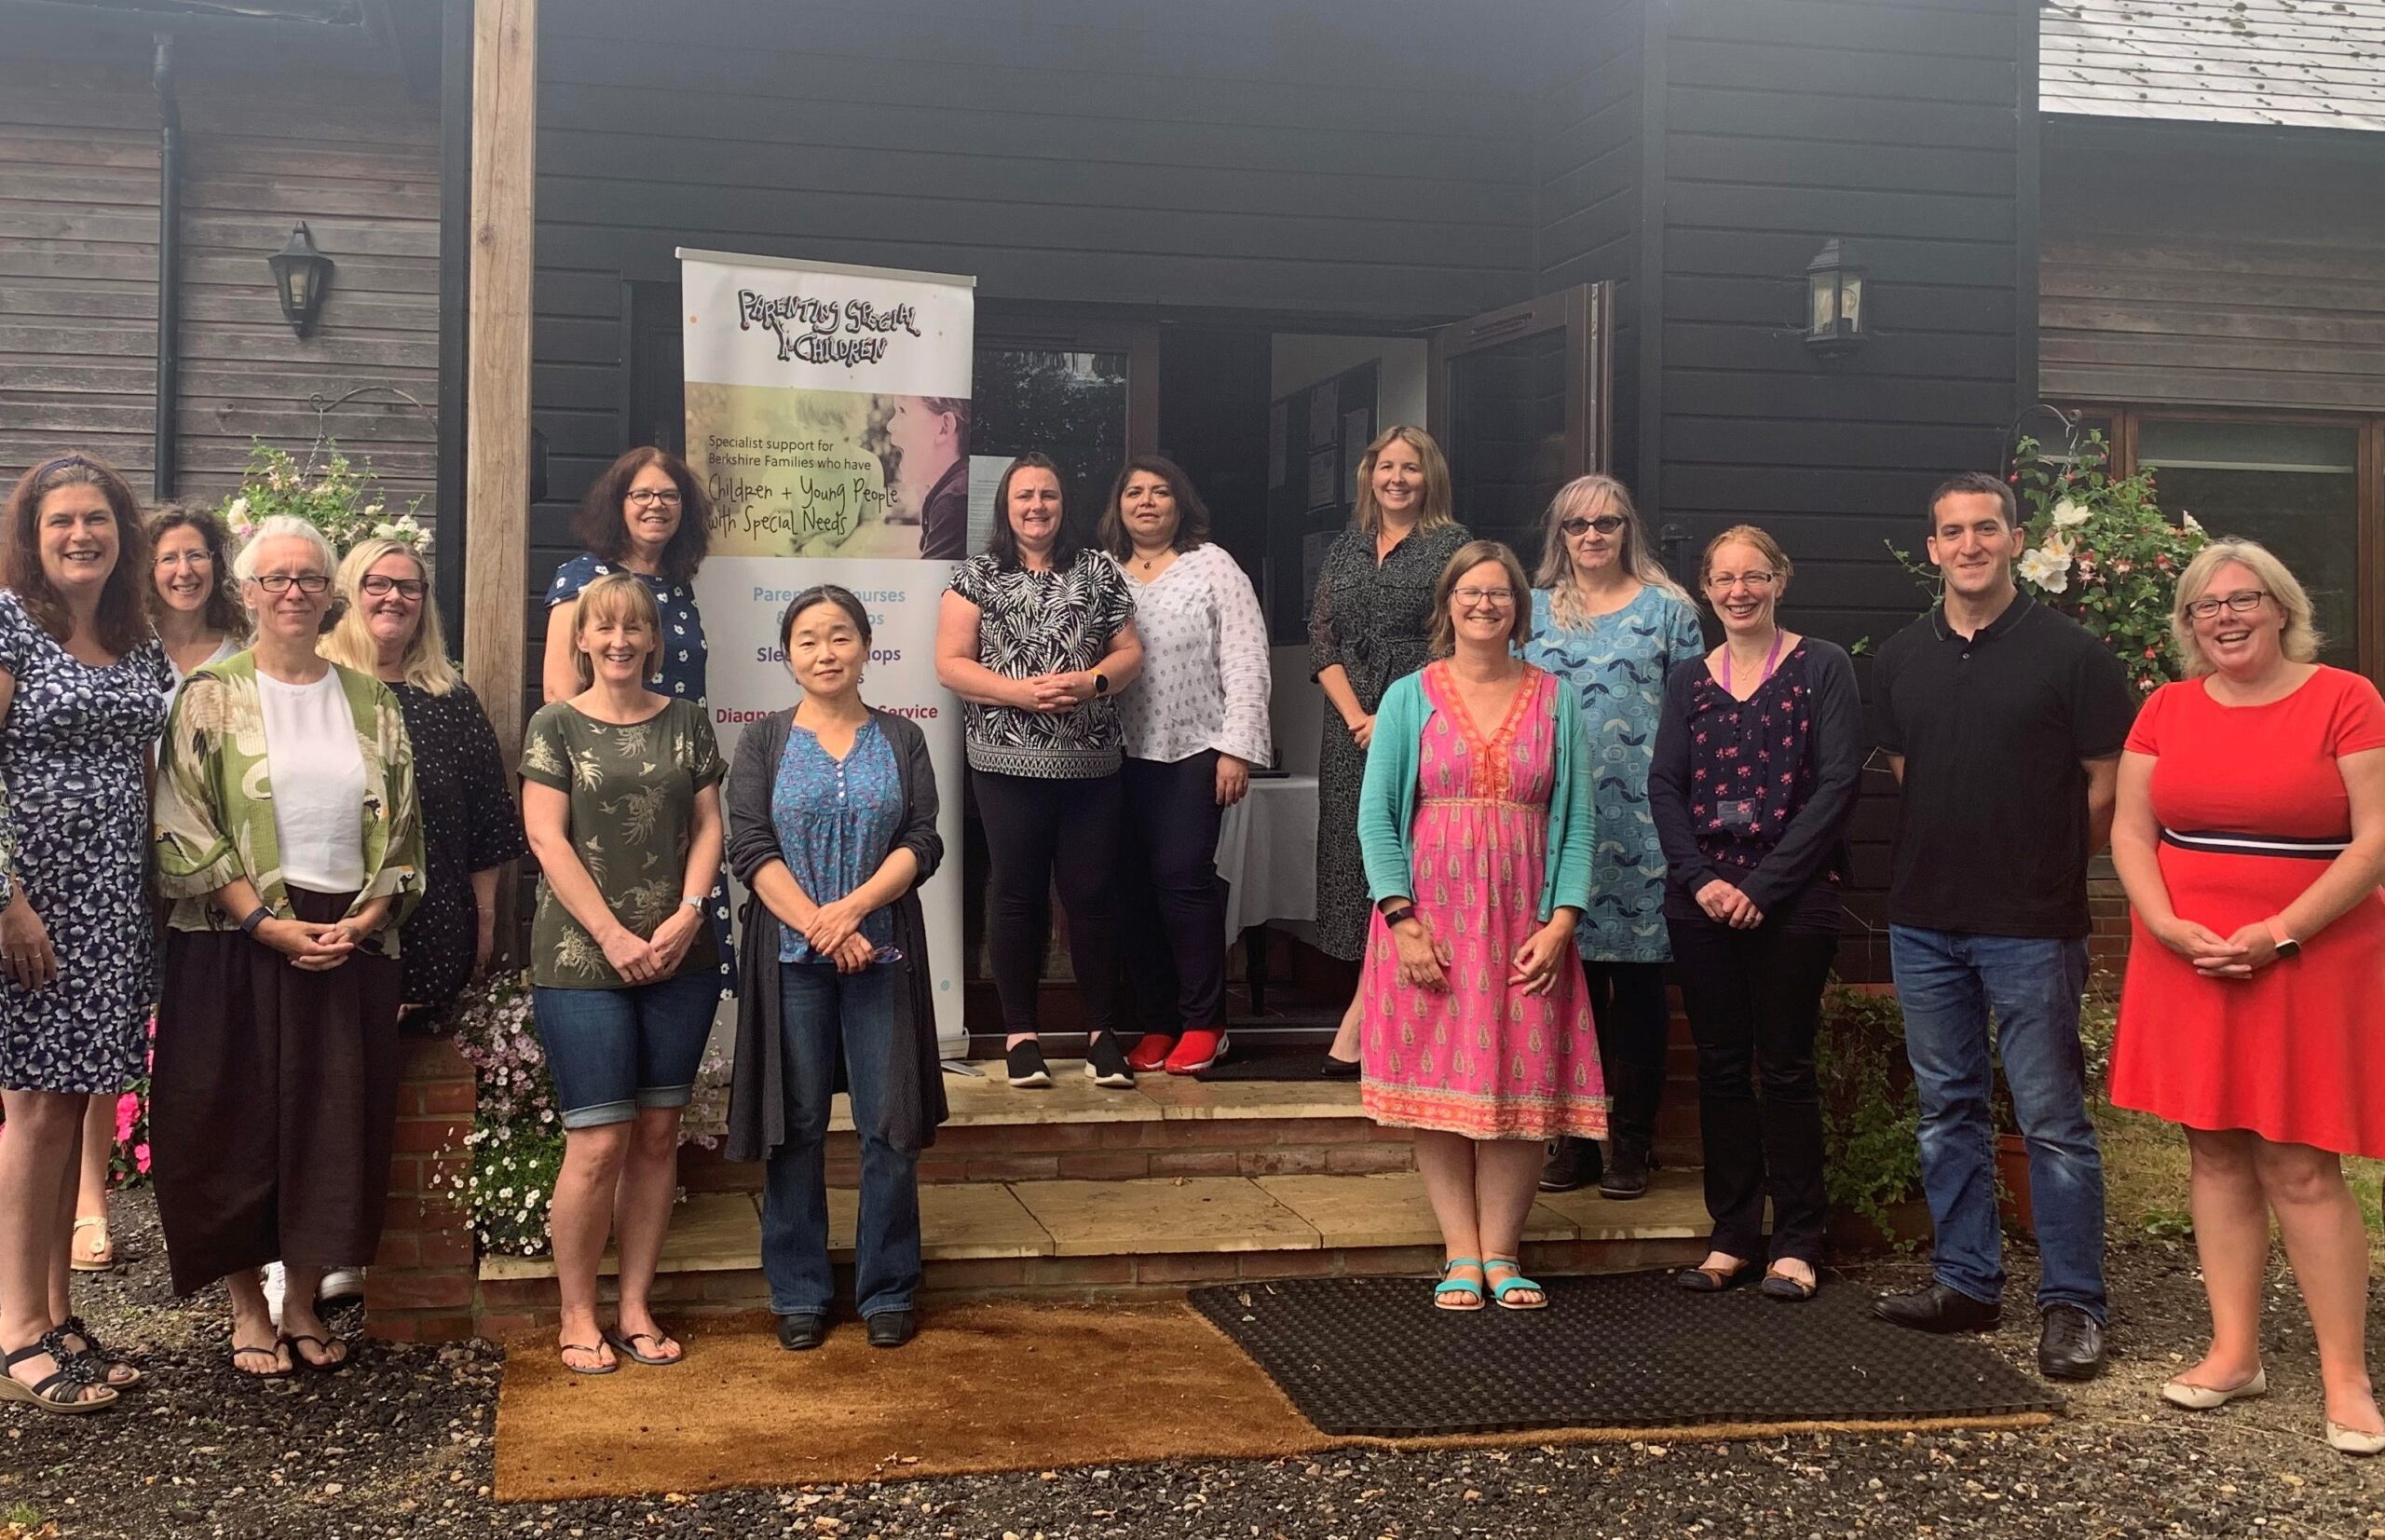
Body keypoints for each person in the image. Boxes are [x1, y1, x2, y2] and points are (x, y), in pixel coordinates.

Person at [2108, 540, 2385, 1455]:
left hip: (2309, 956)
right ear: (2187, 626)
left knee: (2301, 1166)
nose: (2224, 617)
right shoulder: (2166, 707)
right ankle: (2233, 1352)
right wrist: (2162, 923)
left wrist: (2280, 932)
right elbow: (2131, 830)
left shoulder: (2344, 698)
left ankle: (2345, 1376)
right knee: (2215, 1154)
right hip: (2187, 955)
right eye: (2203, 607)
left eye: (2242, 600)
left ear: (2280, 607)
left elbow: (2374, 840)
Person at [1870, 471, 2136, 1383]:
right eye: (1952, 531)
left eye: (1987, 528)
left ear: (2017, 541)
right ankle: (1966, 1282)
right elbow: (1913, 767)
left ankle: (2071, 1304)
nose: (1970, 545)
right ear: (1933, 547)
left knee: (2051, 1118)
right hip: (1927, 921)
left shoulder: (2075, 656)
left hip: (2031, 925)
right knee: (1946, 1111)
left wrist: (2050, 865)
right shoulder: (1901, 658)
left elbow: (2106, 782)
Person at [151, 514, 421, 1378]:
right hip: (235, 936)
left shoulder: (374, 702)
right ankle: (246, 1308)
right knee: (233, 1118)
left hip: (347, 934)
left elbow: (405, 829)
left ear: (329, 593)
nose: (295, 593)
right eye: (277, 579)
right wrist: (262, 921)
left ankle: (302, 1298)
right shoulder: (208, 694)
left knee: (332, 1126)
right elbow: (181, 818)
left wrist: (366, 919)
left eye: (310, 578)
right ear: (248, 591)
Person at [1355, 539, 1601, 1313]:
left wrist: (1561, 923)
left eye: (1499, 593)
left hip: (1526, 925)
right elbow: (1375, 819)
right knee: (1439, 1086)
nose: (1484, 604)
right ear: (1449, 603)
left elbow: (1582, 824)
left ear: (1518, 608)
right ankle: (1460, 1251)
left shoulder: (1557, 698)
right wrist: (1402, 919)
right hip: (1429, 922)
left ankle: (1503, 1253)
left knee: (1518, 1086)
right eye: (1470, 591)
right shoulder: (1408, 696)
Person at [725, 585, 947, 1353]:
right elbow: (749, 848)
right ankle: (799, 1290)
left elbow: (923, 839)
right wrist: (822, 927)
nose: (827, 652)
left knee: (891, 1124)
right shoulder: (764, 742)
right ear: (788, 656)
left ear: (867, 647)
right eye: (810, 640)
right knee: (798, 1126)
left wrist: (851, 911)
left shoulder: (902, 738)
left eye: (841, 636)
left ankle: (887, 1285)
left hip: (881, 953)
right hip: (791, 959)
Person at [520, 573, 725, 1375]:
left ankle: (635, 1303)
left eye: (633, 628)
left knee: (659, 1132)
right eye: (603, 628)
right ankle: (577, 1312)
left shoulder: (689, 723)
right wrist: (611, 934)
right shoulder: (555, 724)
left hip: (681, 955)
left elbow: (710, 823)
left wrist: (689, 912)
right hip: (581, 960)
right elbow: (546, 838)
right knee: (598, 1140)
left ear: (653, 640)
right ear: (581, 638)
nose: (618, 641)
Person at [1649, 526, 1860, 1302]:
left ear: (1780, 580)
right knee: (1723, 1069)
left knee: (1788, 1066)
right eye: (1725, 578)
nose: (1740, 591)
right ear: (1705, 588)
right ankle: (1733, 1234)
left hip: (1794, 898)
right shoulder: (1687, 681)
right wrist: (1701, 879)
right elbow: (1665, 786)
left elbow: (1838, 785)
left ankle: (1799, 1239)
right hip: (1701, 901)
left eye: (1755, 576)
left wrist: (1762, 887)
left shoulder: (1821, 667)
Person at [0, 452, 170, 1413]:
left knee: (74, 1102)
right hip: (32, 906)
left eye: (96, 519)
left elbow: (145, 776)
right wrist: (7, 899)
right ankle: (15, 1329)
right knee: (32, 1107)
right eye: (61, 520)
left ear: (121, 533)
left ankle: (58, 1316)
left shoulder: (134, 638)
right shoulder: (8, 623)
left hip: (112, 904)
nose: (80, 534)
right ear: (33, 533)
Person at [68, 501, 244, 1279]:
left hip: (222, 874)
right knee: (103, 1038)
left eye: (197, 555)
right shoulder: (121, 648)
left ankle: (226, 1204)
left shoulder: (243, 652)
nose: (183, 570)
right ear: (148, 567)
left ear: (218, 563)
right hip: (124, 865)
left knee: (218, 1035)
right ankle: (89, 1202)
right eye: (169, 557)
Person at [1519, 474, 1705, 1200]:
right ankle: (1578, 1139)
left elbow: (1697, 716)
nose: (1591, 536)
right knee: (1570, 992)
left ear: (1629, 528)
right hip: (1556, 826)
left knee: (1639, 993)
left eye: (1606, 523)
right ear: (1558, 535)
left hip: (1647, 828)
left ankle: (1632, 1143)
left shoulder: (1670, 612)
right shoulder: (1531, 613)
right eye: (1576, 525)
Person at [934, 454, 1143, 1090]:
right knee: (1017, 895)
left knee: (1092, 895)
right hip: (1005, 762)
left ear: (1063, 503)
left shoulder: (1099, 569)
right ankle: (1020, 1033)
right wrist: (1017, 693)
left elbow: (1131, 650)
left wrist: (1093, 681)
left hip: (1091, 764)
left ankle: (1102, 1033)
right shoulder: (975, 576)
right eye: (1024, 495)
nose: (1036, 506)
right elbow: (949, 663)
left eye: (1048, 495)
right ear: (1005, 506)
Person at [1100, 457, 1272, 1076]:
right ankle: (1158, 1023)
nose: (1147, 502)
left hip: (1193, 753)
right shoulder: (1104, 573)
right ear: (1118, 506)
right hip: (1114, 757)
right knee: (1131, 894)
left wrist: (1237, 748)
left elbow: (1247, 660)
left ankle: (1205, 1023)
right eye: (1135, 492)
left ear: (1181, 502)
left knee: (1183, 886)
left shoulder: (1213, 566)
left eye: (1161, 491)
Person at [541, 446, 731, 994]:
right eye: (642, 494)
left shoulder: (678, 585)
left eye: (669, 496)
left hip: (677, 785)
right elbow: (559, 690)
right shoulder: (582, 577)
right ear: (617, 504)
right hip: (610, 787)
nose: (656, 505)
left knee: (679, 937)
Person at [1312, 427, 1470, 1076]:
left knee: (1411, 864)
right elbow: (1321, 638)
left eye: (1410, 467)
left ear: (1429, 476)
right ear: (1368, 474)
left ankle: (1361, 1020)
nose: (1397, 478)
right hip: (1351, 730)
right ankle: (1377, 1006)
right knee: (1356, 861)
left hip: (1426, 719)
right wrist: (1358, 718)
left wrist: (1395, 719)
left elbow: (1457, 636)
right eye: (1386, 466)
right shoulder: (1345, 547)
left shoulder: (1453, 546)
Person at [323, 537, 527, 1017]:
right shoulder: (315, 684)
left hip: (433, 924)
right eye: (377, 583)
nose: (394, 596)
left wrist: (484, 918)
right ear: (350, 593)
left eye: (409, 588)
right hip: (329, 920)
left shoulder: (450, 700)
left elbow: (488, 822)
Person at [891, 397, 972, 561]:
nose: (890, 426)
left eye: (902, 411)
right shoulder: (955, 491)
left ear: (944, 427)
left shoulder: (954, 501)